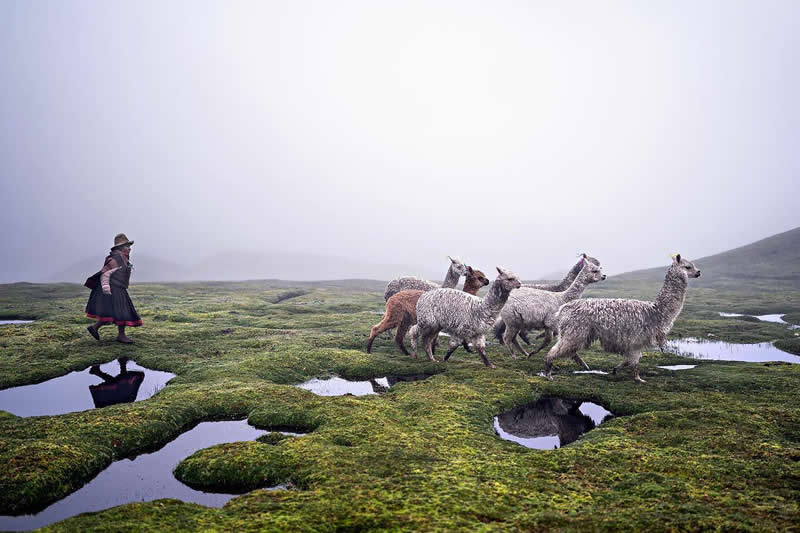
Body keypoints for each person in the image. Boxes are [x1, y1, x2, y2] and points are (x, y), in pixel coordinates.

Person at [86, 233, 141, 343]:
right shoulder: (115, 259)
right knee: (122, 311)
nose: (129, 249)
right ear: (121, 248)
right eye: (127, 246)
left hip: (118, 288)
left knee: (114, 311)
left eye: (129, 246)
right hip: (113, 289)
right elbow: (105, 273)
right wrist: (106, 289)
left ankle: (95, 328)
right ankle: (120, 335)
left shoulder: (123, 259)